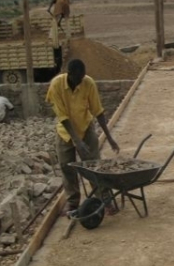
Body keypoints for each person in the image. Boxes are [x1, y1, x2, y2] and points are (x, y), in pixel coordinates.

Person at [46, 59, 120, 216]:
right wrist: (76, 141)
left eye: (83, 77)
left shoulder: (88, 83)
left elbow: (98, 111)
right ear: (70, 74)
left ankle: (104, 200)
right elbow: (63, 116)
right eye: (78, 78)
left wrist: (109, 137)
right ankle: (73, 203)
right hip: (65, 132)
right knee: (67, 167)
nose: (81, 81)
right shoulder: (56, 85)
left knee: (94, 164)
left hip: (85, 128)